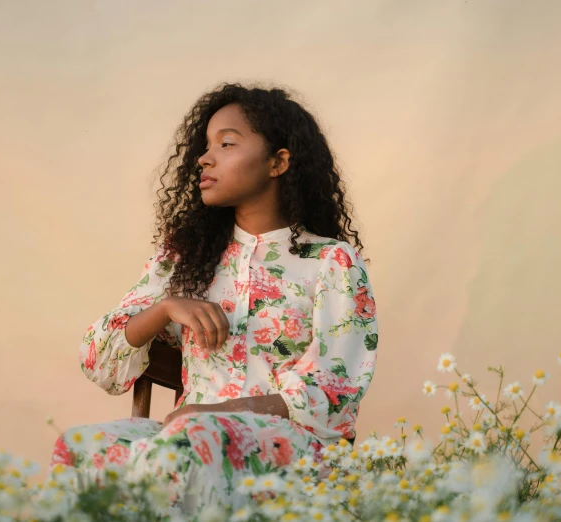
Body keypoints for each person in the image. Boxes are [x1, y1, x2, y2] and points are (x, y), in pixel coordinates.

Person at [49, 82, 379, 517]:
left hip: (292, 446)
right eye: (205, 146)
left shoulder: (332, 262)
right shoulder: (185, 260)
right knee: (80, 446)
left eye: (226, 144)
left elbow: (336, 389)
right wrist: (164, 308)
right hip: (187, 439)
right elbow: (97, 361)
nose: (204, 158)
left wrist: (219, 412)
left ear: (279, 162)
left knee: (193, 435)